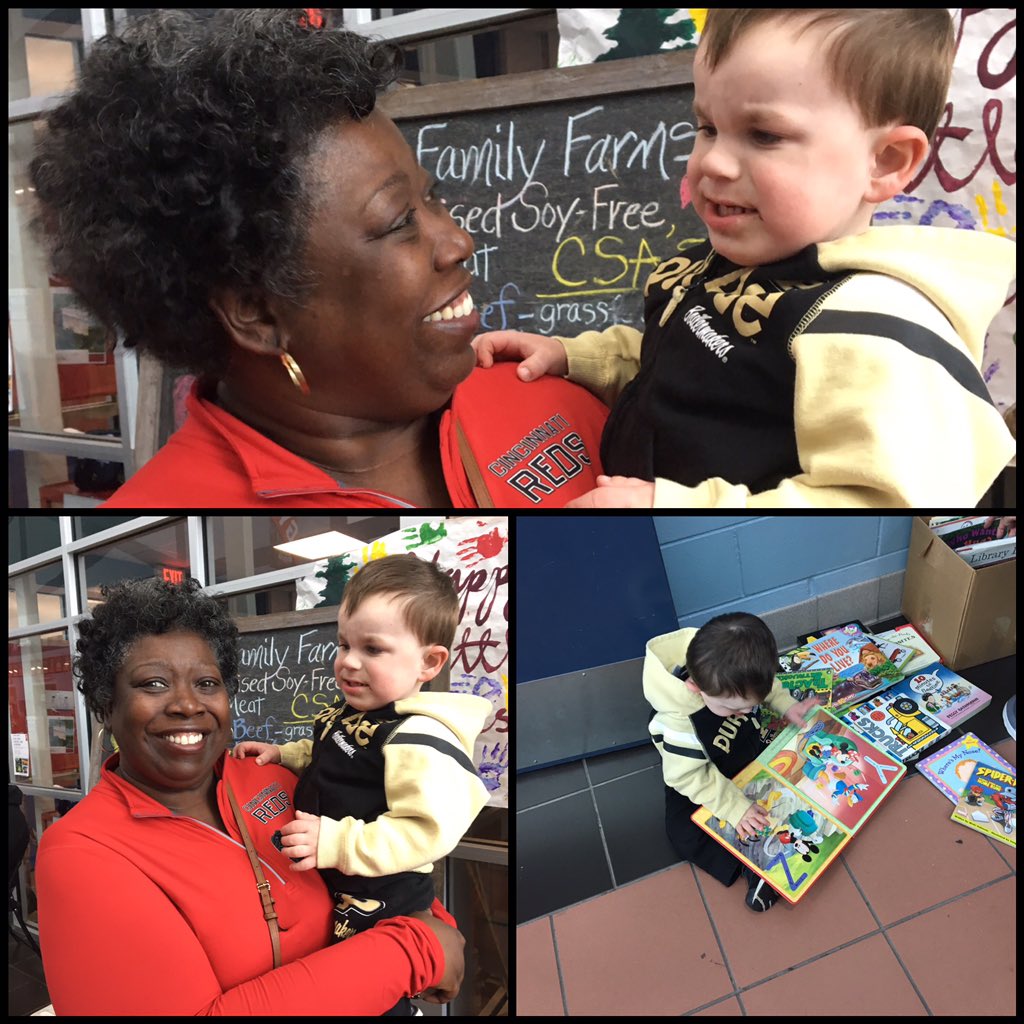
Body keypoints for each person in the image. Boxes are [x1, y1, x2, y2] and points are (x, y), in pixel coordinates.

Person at [28, 10, 607, 509]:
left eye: (433, 197)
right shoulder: (170, 507)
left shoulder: (554, 390)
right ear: (258, 312)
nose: (458, 242)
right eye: (398, 221)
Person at [472, 8, 1015, 508]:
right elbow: (683, 359)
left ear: (885, 160)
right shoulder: (725, 261)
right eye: (707, 127)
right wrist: (578, 357)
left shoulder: (875, 333)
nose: (715, 163)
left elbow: (884, 504)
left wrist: (673, 509)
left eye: (764, 134)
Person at [35, 576, 465, 1015]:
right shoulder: (82, 853)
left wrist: (434, 921)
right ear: (107, 704)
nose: (187, 704)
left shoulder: (269, 779)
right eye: (154, 684)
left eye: (206, 683)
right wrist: (416, 950)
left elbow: (375, 848)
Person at [233, 554, 491, 1016]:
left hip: (380, 904)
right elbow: (330, 752)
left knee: (371, 996)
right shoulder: (356, 712)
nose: (348, 662)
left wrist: (337, 841)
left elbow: (427, 832)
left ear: (429, 663)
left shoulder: (420, 738)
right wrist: (285, 755)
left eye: (372, 649)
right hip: (331, 886)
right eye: (343, 644)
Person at [644, 613, 818, 912]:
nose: (748, 710)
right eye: (734, 708)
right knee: (683, 832)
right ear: (696, 688)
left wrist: (786, 705)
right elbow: (686, 779)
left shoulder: (735, 670)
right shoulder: (679, 726)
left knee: (777, 777)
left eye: (753, 702)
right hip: (702, 773)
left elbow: (766, 686)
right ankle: (758, 868)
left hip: (741, 748)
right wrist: (734, 808)